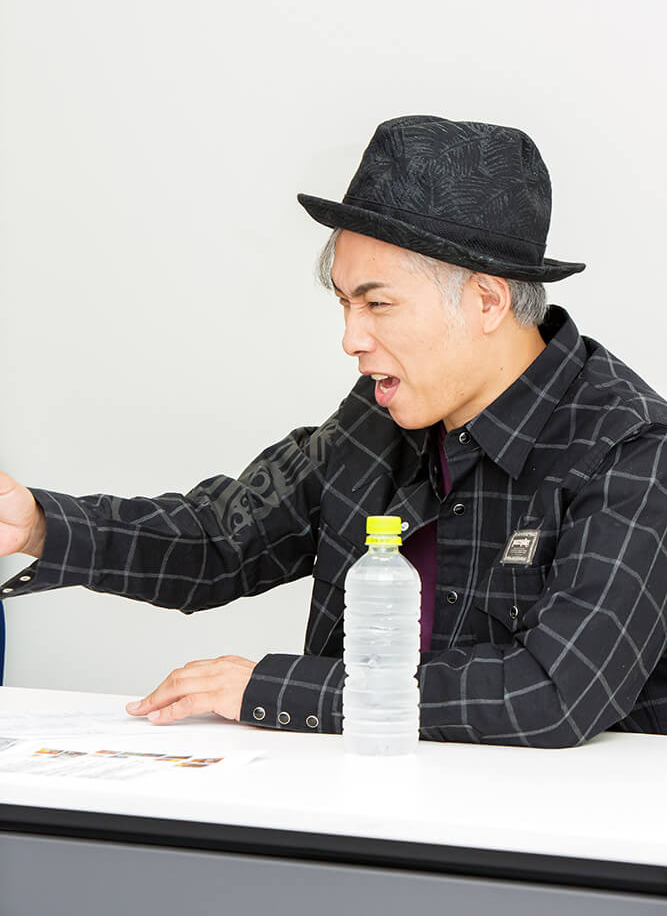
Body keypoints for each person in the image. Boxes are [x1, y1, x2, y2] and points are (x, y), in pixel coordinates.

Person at [1, 116, 665, 747]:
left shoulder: (631, 449)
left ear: (487, 301)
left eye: (377, 303)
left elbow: (552, 693)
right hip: (354, 801)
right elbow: (222, 539)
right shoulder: (378, 415)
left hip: (551, 822)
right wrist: (37, 524)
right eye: (345, 303)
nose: (351, 339)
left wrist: (273, 688)